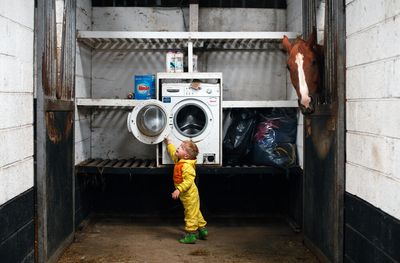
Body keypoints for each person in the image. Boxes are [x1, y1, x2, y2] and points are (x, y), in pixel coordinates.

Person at [164, 137, 208, 244]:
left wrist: (178, 189)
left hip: (190, 195)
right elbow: (172, 152)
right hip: (187, 195)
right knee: (195, 211)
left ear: (186, 155)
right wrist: (169, 143)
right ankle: (202, 230)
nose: (178, 148)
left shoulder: (187, 167)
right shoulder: (180, 160)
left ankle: (191, 234)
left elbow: (188, 181)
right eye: (179, 146)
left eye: (181, 147)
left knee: (190, 213)